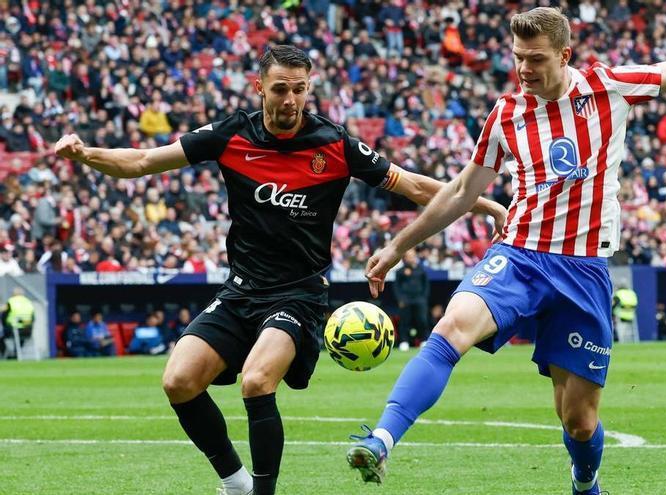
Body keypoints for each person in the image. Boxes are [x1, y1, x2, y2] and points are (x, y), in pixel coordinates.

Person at [347, 7, 666, 493]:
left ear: (565, 55)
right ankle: (382, 440)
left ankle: (585, 484)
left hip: (583, 271)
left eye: (536, 58)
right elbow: (460, 192)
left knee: (580, 422)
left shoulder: (608, 87)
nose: (524, 69)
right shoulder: (506, 113)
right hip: (518, 255)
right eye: (518, 57)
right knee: (450, 330)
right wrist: (397, 245)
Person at [54, 45, 506, 495]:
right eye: (280, 89)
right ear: (259, 88)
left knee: (256, 381)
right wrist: (84, 153)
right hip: (241, 291)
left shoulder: (334, 143)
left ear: (309, 88)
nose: (290, 99)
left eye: (299, 89)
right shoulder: (231, 135)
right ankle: (236, 484)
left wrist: (480, 202)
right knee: (178, 381)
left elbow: (411, 184)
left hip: (299, 295)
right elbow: (142, 162)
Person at [392, 249, 430, 351]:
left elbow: (426, 285)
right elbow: (396, 287)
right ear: (405, 258)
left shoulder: (421, 270)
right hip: (406, 300)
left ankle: (423, 340)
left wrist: (424, 298)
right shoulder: (400, 271)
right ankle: (404, 341)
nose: (411, 258)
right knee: (405, 321)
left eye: (413, 256)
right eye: (409, 256)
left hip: (419, 299)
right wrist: (400, 299)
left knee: (422, 320)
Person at [1, 288, 35, 359]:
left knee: (1, 335)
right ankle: (15, 354)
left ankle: (5, 353)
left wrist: (5, 325)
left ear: (14, 294)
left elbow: (3, 315)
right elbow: (33, 318)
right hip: (27, 330)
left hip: (13, 329)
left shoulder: (11, 301)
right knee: (20, 339)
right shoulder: (28, 302)